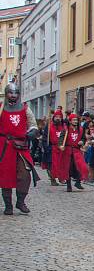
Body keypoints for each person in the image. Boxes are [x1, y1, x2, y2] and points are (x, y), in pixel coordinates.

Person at [0, 83, 39, 215]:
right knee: (5, 177)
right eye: (11, 93)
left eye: (16, 93)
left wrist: (32, 132)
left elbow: (33, 125)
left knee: (25, 175)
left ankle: (20, 202)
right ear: (6, 94)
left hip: (21, 147)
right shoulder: (0, 108)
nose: (13, 95)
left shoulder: (25, 108)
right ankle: (8, 206)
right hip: (4, 147)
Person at [53, 113, 89, 192]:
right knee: (68, 168)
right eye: (74, 120)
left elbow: (83, 138)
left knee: (82, 166)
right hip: (67, 151)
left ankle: (78, 182)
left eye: (76, 120)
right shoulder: (65, 130)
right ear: (70, 121)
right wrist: (61, 146)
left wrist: (82, 142)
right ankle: (69, 185)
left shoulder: (80, 129)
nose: (75, 121)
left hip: (76, 151)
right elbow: (61, 140)